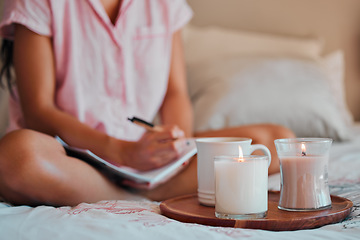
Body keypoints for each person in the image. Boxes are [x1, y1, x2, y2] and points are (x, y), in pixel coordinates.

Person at [0, 0, 295, 206]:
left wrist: (174, 145)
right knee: (16, 156)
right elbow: (39, 111)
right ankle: (130, 197)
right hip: (71, 156)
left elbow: (174, 92)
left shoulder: (163, 3)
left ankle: (129, 190)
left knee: (277, 141)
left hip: (145, 155)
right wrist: (120, 152)